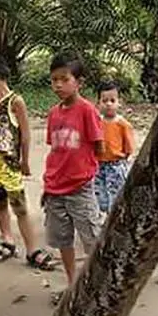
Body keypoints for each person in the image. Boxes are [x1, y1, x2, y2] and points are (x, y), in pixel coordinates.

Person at [0, 54, 55, 270]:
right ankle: (7, 239)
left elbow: (26, 134)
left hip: (8, 161)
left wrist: (25, 160)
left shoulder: (15, 102)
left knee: (19, 206)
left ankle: (32, 250)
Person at [43, 52, 104, 285]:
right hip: (55, 187)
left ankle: (96, 283)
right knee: (62, 239)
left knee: (91, 237)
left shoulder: (87, 110)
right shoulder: (53, 113)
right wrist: (48, 184)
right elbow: (55, 150)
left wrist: (85, 169)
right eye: (54, 79)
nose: (58, 84)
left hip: (80, 187)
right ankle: (72, 281)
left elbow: (98, 146)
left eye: (64, 79)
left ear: (79, 82)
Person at [95, 80, 135, 216]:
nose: (108, 104)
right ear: (98, 103)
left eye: (112, 100)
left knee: (115, 194)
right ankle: (103, 217)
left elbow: (129, 147)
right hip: (99, 165)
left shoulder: (123, 125)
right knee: (99, 194)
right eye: (104, 100)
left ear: (119, 102)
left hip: (116, 165)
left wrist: (124, 161)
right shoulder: (96, 123)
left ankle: (114, 220)